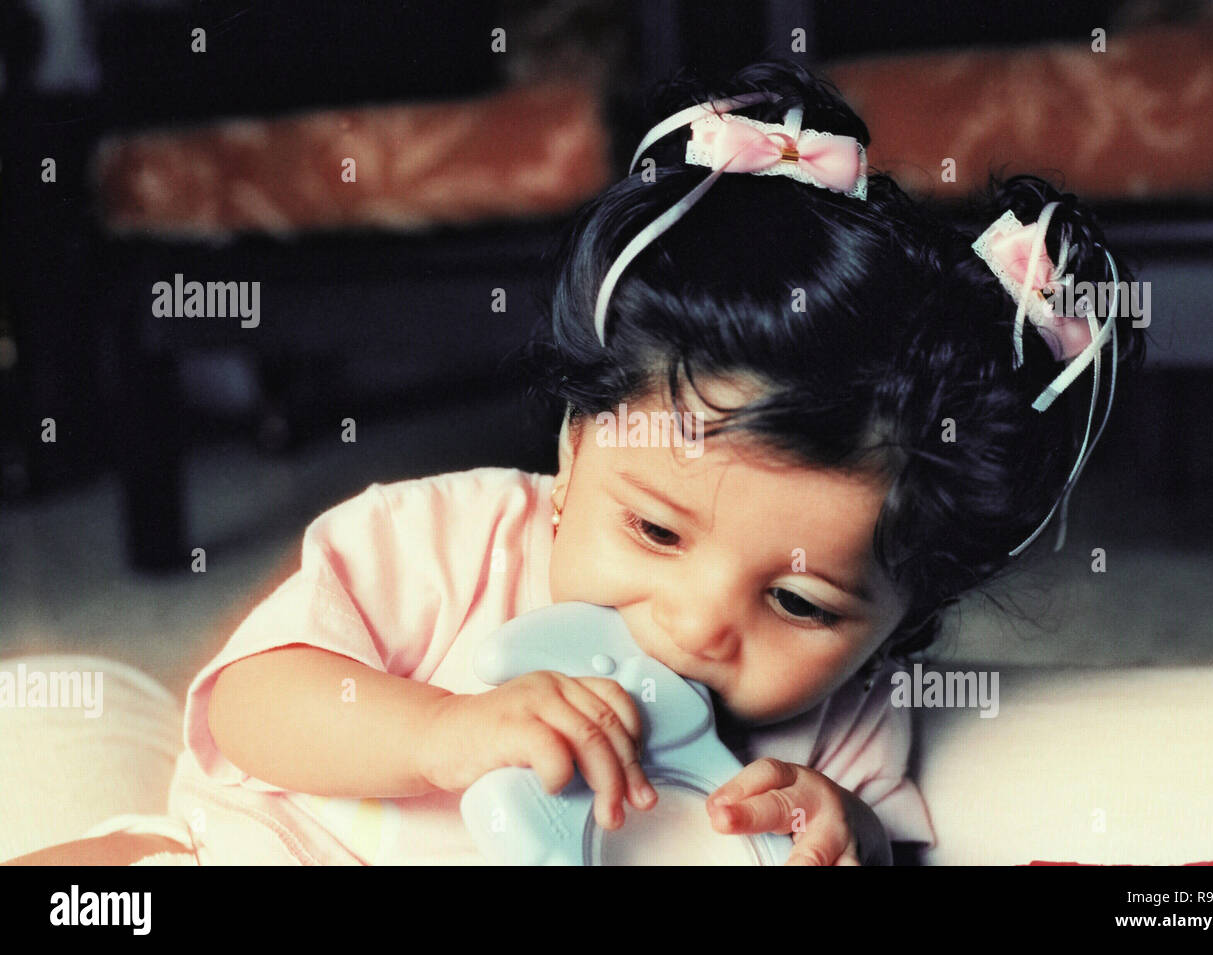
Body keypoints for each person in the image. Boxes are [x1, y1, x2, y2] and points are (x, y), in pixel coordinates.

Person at [6, 58, 1142, 866]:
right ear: (575, 439)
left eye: (799, 598)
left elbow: (869, 830)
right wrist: (442, 734)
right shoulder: (444, 541)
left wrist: (847, 830)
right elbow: (254, 704)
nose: (699, 621)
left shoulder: (844, 719)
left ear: (901, 616)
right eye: (654, 530)